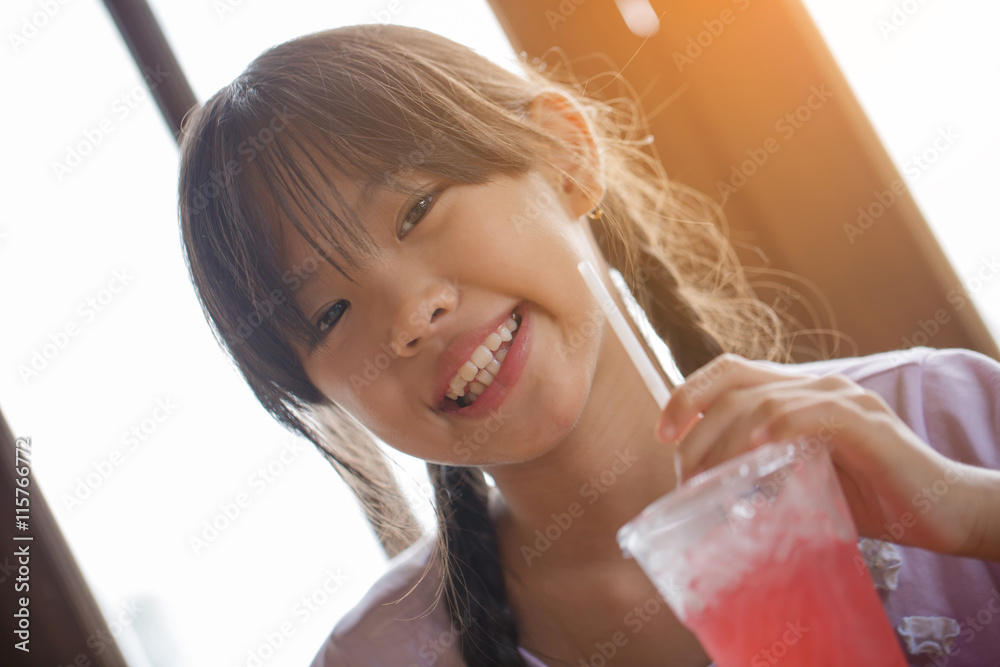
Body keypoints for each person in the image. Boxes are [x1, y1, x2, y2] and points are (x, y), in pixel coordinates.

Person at [176, 24, 1000, 667]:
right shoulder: (382, 656)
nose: (409, 315)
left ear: (567, 157)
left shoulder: (942, 419)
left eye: (417, 209)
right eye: (328, 314)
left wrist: (967, 512)